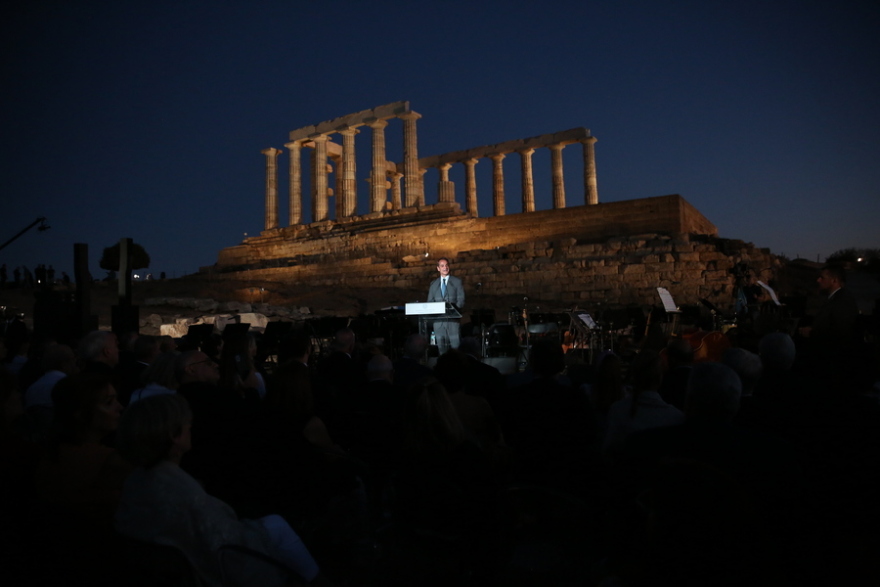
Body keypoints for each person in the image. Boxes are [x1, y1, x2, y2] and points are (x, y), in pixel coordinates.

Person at [115, 394, 325, 586]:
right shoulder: (182, 491)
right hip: (218, 566)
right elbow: (226, 541)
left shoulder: (138, 480)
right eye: (188, 425)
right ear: (174, 435)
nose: (191, 428)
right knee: (277, 526)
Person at [427, 257, 465, 355]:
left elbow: (461, 300)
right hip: (438, 322)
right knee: (441, 350)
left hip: (453, 321)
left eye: (447, 265)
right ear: (438, 268)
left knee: (456, 349)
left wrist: (454, 310)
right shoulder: (433, 284)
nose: (445, 267)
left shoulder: (457, 282)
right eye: (442, 266)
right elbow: (430, 301)